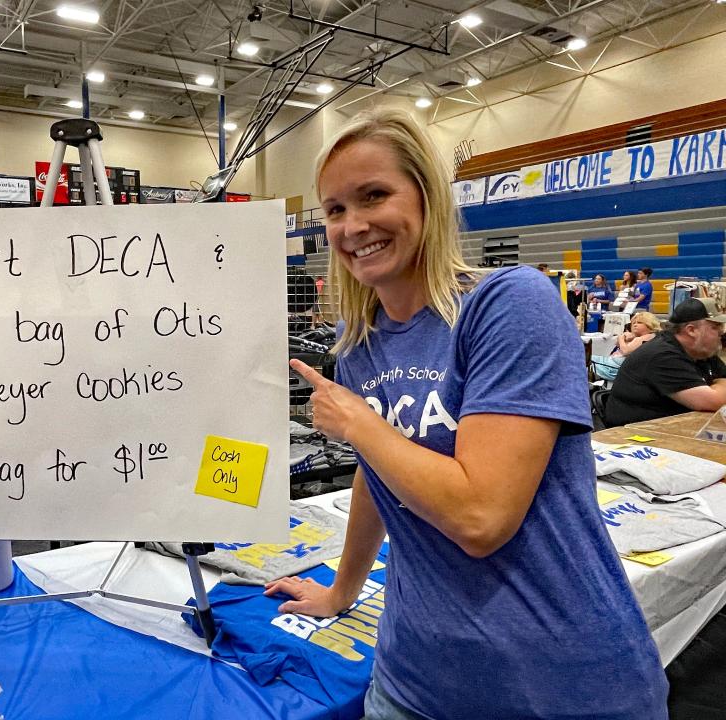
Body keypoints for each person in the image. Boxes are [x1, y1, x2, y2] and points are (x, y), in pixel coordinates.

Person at [269, 108, 666, 719]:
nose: (353, 225)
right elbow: (378, 475)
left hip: (558, 686)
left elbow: (481, 517)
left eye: (374, 195)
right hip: (413, 685)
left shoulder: (507, 305)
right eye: (335, 209)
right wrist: (341, 590)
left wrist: (358, 423)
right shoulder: (359, 346)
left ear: (426, 198)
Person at [604, 297, 726, 426]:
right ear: (691, 330)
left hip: (673, 429)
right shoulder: (663, 355)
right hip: (636, 437)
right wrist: (719, 387)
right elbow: (715, 402)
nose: (721, 332)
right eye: (715, 327)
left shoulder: (701, 351)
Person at [590, 311, 661, 381]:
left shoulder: (642, 339)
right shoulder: (650, 336)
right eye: (633, 323)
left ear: (649, 324)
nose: (635, 325)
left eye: (639, 323)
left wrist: (621, 337)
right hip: (615, 365)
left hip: (615, 369)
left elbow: (625, 351)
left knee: (585, 359)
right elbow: (617, 344)